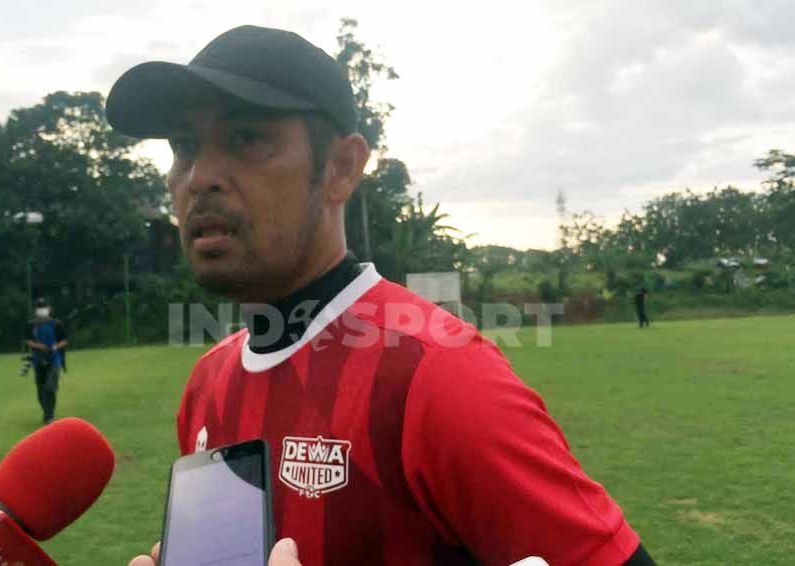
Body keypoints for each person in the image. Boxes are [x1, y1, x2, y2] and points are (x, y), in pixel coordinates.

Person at [109, 25, 655, 566]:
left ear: (341, 169)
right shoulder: (209, 383)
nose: (199, 176)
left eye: (247, 138)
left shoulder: (436, 372)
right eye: (184, 146)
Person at [25, 297, 68, 425]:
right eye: (39, 308)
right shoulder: (31, 325)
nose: (42, 310)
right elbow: (27, 340)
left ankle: (49, 416)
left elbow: (65, 340)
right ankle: (47, 412)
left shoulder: (57, 324)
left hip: (54, 359)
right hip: (38, 360)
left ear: (49, 309)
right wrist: (39, 346)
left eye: (44, 308)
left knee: (50, 387)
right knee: (41, 389)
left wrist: (56, 346)